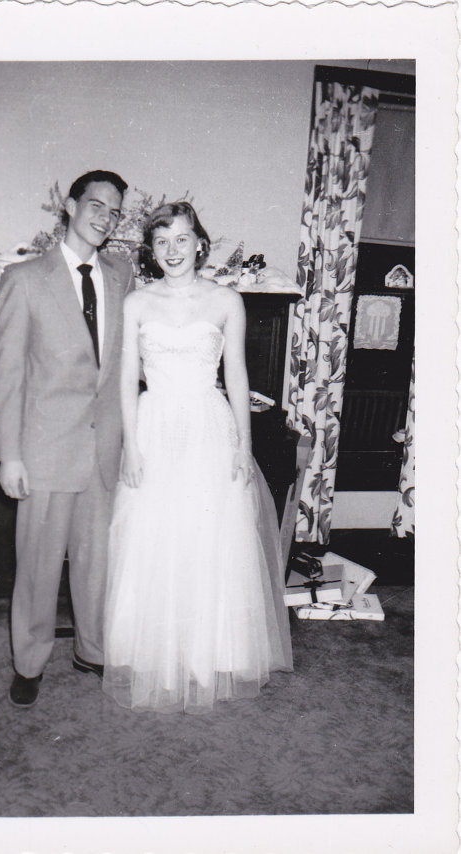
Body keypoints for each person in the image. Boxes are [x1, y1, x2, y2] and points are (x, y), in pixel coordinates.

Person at [102, 201, 293, 714]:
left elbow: (236, 377)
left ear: (199, 243)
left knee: (209, 538)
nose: (173, 251)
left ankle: (209, 651)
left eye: (182, 240)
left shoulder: (226, 300)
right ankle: (154, 652)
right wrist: (131, 446)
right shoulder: (137, 303)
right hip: (155, 425)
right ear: (152, 249)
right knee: (156, 537)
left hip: (210, 426)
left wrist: (244, 444)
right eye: (162, 242)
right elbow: (125, 380)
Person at [0, 169, 135, 708]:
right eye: (97, 205)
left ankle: (92, 650)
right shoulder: (26, 278)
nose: (105, 217)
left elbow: (125, 366)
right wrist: (10, 456)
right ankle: (29, 662)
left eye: (115, 211)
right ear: (71, 206)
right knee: (37, 567)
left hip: (104, 449)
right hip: (46, 450)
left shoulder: (122, 276)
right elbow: (9, 375)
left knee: (98, 563)